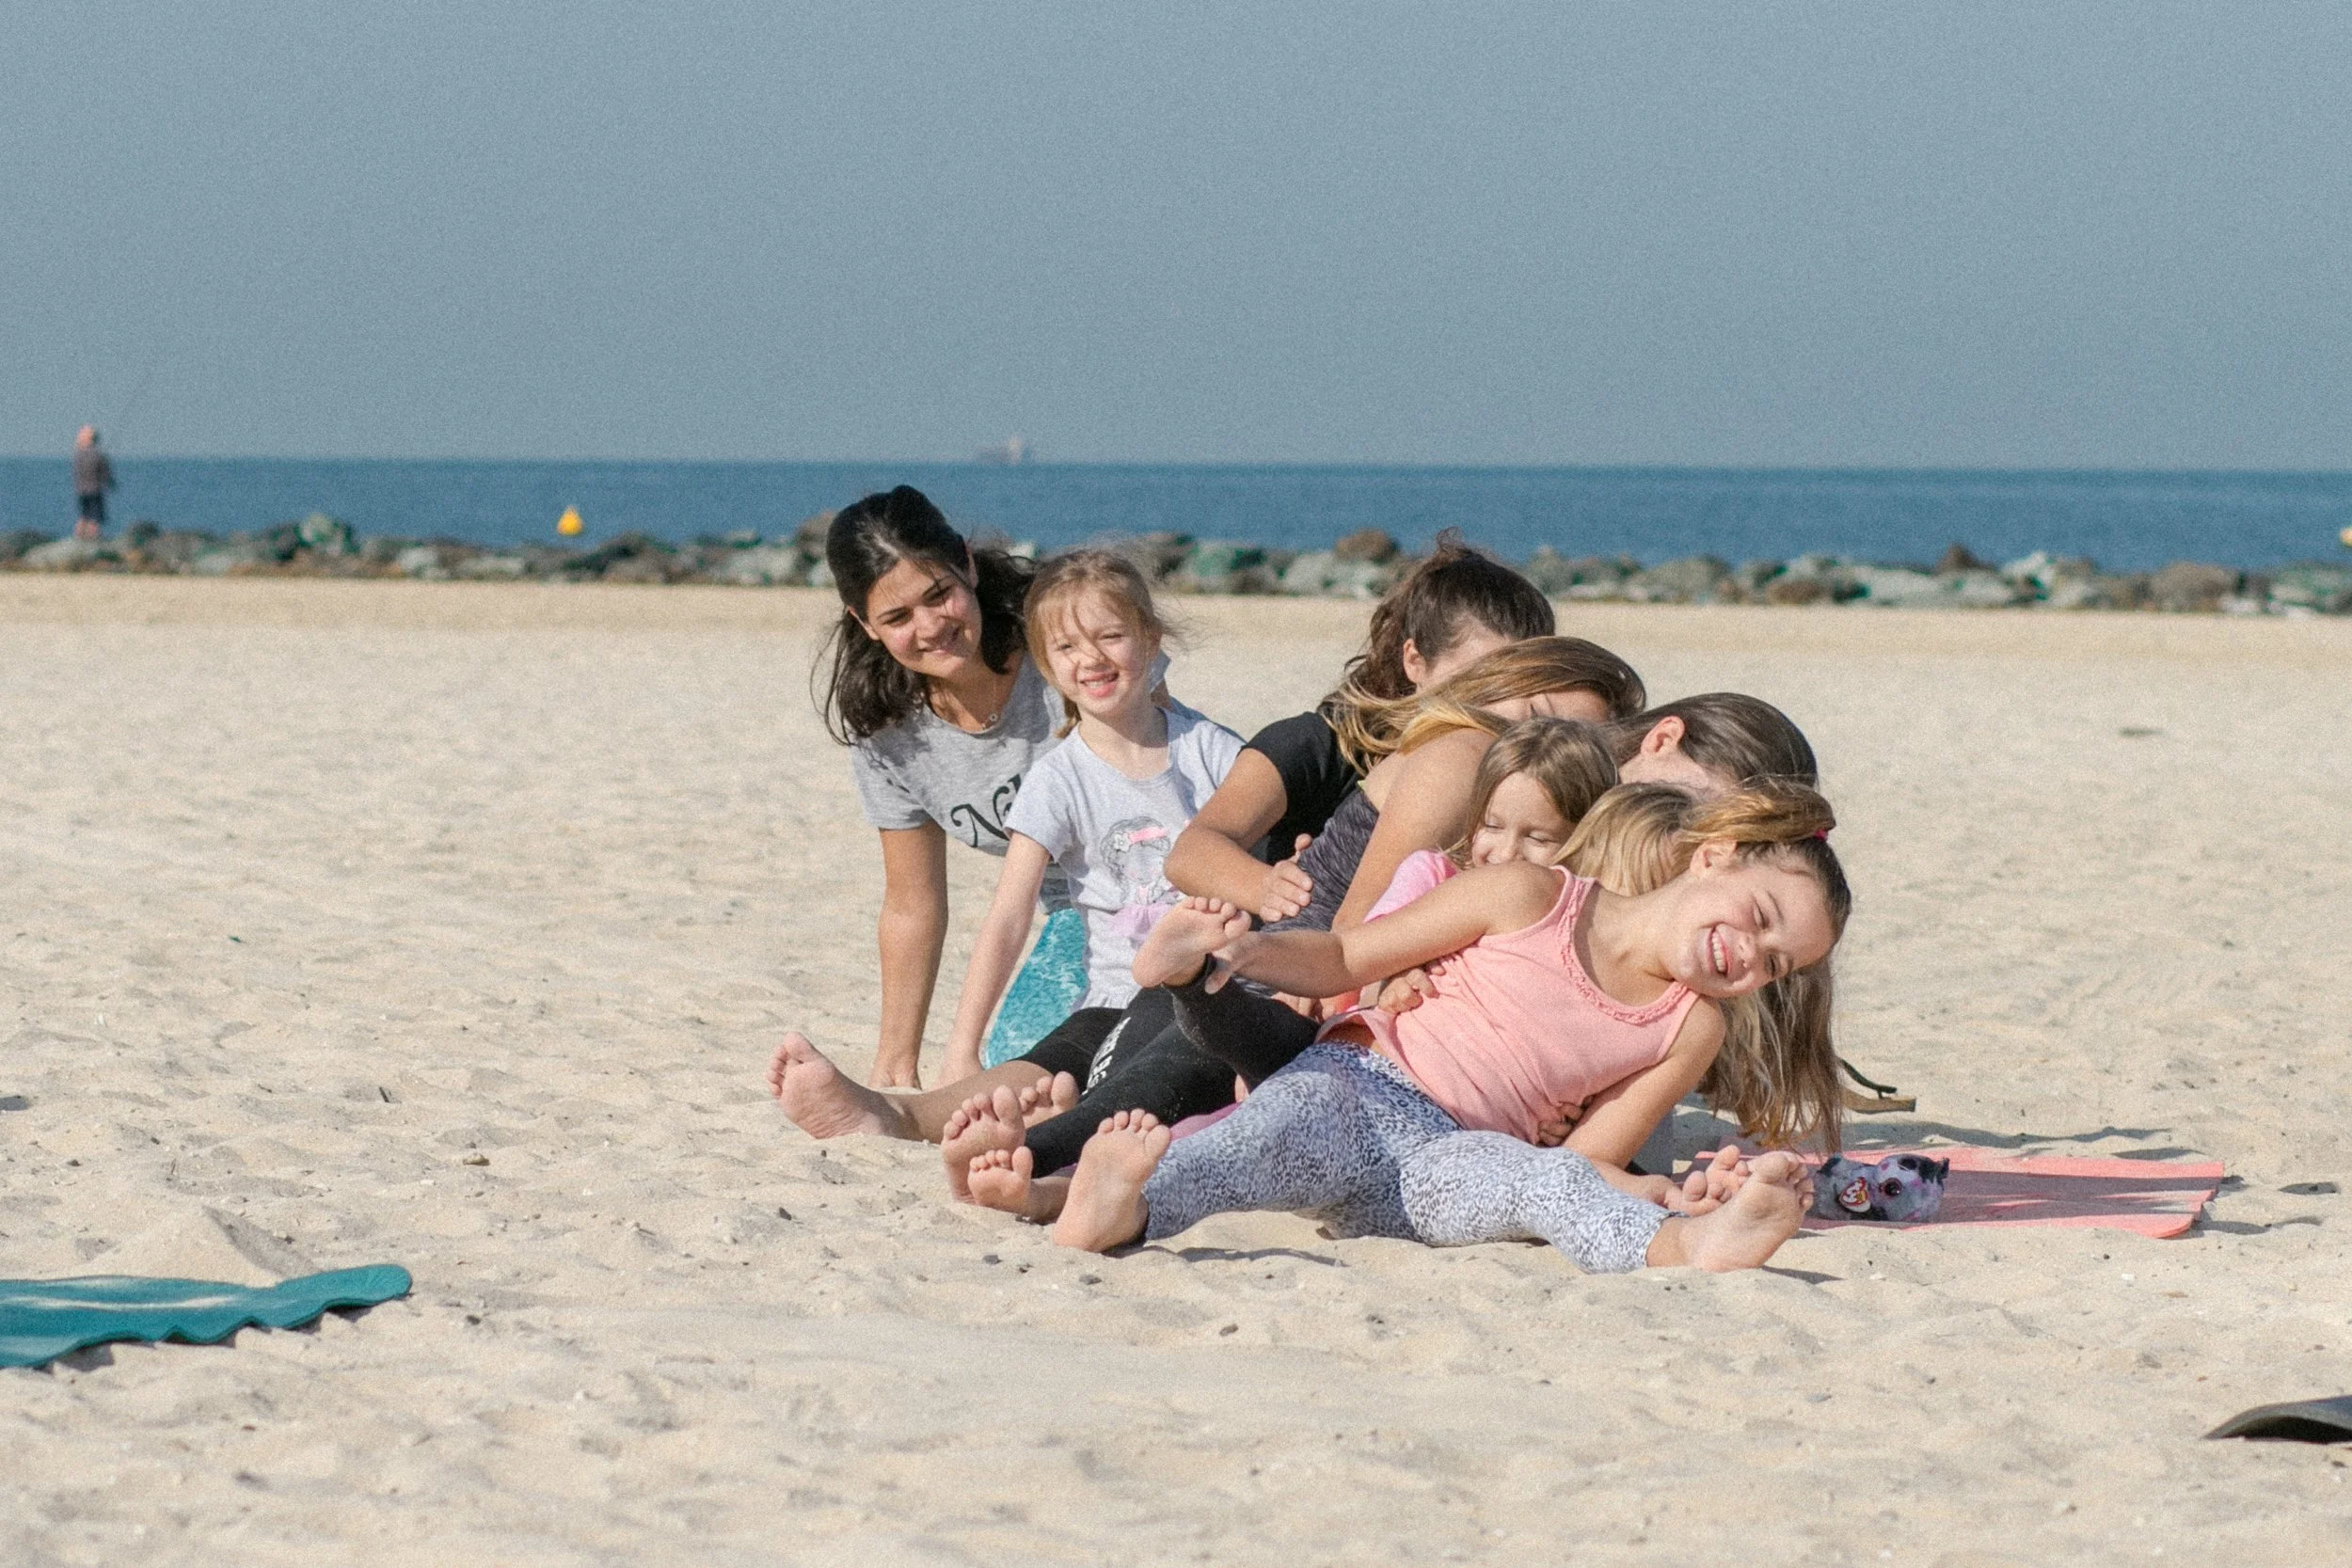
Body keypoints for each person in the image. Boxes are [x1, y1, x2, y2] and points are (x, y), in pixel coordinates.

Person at [768, 539, 1561, 1134]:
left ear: (1149, 641)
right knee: (1073, 1051)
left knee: (1110, 1055)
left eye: (1533, 684)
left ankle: (1014, 1122)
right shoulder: (1313, 744)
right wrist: (1260, 886)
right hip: (1182, 963)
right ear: (1416, 661)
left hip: (1226, 969)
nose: (1510, 704)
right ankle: (906, 1114)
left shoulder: (1507, 767)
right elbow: (1203, 854)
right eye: (1493, 677)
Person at [968, 781, 1850, 1275]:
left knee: (1535, 1185)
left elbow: (1584, 1162)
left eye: (1780, 964)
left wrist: (1669, 1195)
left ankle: (1691, 1247)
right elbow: (1347, 956)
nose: (1754, 954)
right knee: (1254, 1146)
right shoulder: (1529, 896)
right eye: (1764, 915)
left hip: (1445, 1163)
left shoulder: (1690, 1024)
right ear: (1716, 854)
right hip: (1359, 1086)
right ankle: (1070, 1202)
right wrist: (1243, 955)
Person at [932, 549, 1241, 1084]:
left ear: (1150, 640)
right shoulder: (1058, 779)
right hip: (1113, 998)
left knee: (1147, 1080)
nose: (1090, 658)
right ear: (1048, 667)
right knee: (1041, 1074)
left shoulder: (1208, 749)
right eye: (1067, 647)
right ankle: (899, 1112)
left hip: (1213, 989)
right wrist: (962, 1048)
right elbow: (1008, 917)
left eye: (1110, 636)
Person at [812, 485, 1075, 1086]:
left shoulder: (1059, 642)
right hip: (1073, 920)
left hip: (1179, 885)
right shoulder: (888, 731)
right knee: (1018, 1068)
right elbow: (912, 904)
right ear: (865, 624)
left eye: (940, 595)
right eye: (898, 617)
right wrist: (895, 1063)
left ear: (968, 563)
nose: (931, 626)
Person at [72, 426, 114, 541]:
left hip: (80, 490)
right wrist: (111, 484)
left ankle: (78, 536)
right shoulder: (99, 455)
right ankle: (93, 537)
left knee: (84, 514)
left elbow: (76, 473)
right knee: (95, 516)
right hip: (95, 490)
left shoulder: (78, 455)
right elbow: (106, 475)